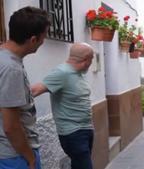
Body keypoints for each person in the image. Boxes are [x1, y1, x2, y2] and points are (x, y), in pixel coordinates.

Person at [0, 6, 50, 169]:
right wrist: (30, 158)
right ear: (33, 39)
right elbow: (11, 126)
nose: (43, 42)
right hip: (14, 156)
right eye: (44, 37)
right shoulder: (11, 68)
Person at [31, 43, 94, 169]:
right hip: (73, 132)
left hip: (85, 129)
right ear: (87, 59)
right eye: (92, 59)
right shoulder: (62, 73)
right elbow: (33, 91)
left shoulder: (78, 73)